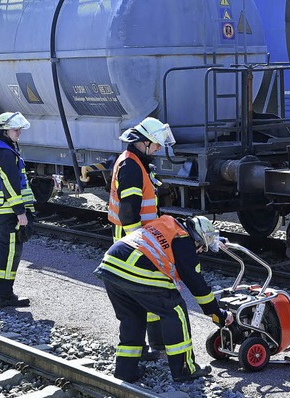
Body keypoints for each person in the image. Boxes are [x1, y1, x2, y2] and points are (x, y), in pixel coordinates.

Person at [93, 214, 234, 383]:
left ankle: (125, 371)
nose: (200, 251)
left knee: (132, 319)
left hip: (111, 266)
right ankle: (184, 369)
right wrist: (217, 313)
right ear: (196, 238)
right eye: (201, 247)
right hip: (136, 270)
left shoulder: (169, 223)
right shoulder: (184, 241)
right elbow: (198, 286)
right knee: (175, 311)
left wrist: (219, 240)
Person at [107, 117, 176, 359]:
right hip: (134, 235)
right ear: (143, 143)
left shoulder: (136, 162)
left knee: (150, 287)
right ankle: (142, 349)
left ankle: (156, 343)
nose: (158, 149)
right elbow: (128, 210)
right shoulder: (131, 167)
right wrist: (137, 242)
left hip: (142, 234)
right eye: (155, 145)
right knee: (137, 291)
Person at [0, 112, 36, 308]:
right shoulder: (5, 151)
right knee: (10, 251)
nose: (19, 132)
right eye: (15, 129)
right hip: (7, 210)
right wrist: (20, 211)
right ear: (4, 129)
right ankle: (4, 296)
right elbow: (10, 183)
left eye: (19, 129)